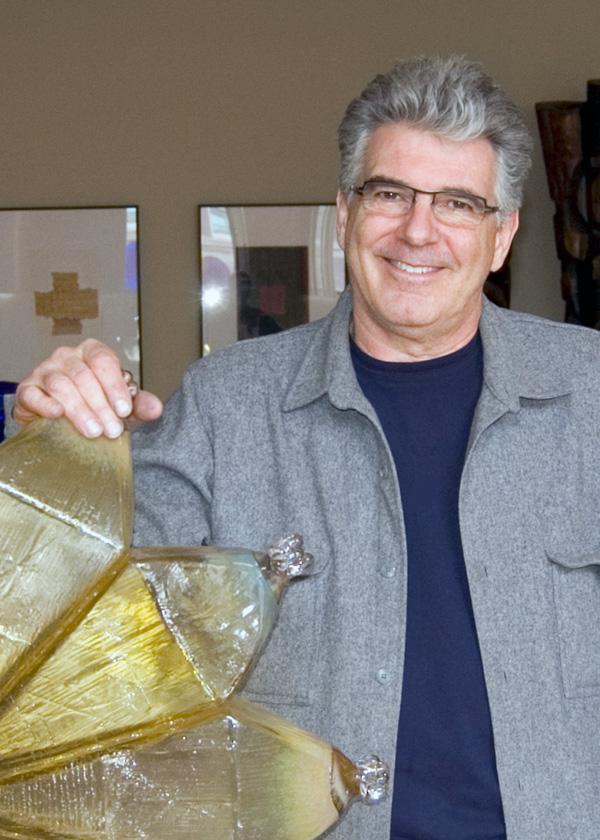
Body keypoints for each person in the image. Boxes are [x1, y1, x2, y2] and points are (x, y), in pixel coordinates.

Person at [12, 55, 600, 840]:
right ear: (346, 214)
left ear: (502, 237)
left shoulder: (590, 393)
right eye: (390, 193)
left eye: (458, 203)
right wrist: (52, 451)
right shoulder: (224, 406)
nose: (418, 230)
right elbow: (64, 610)